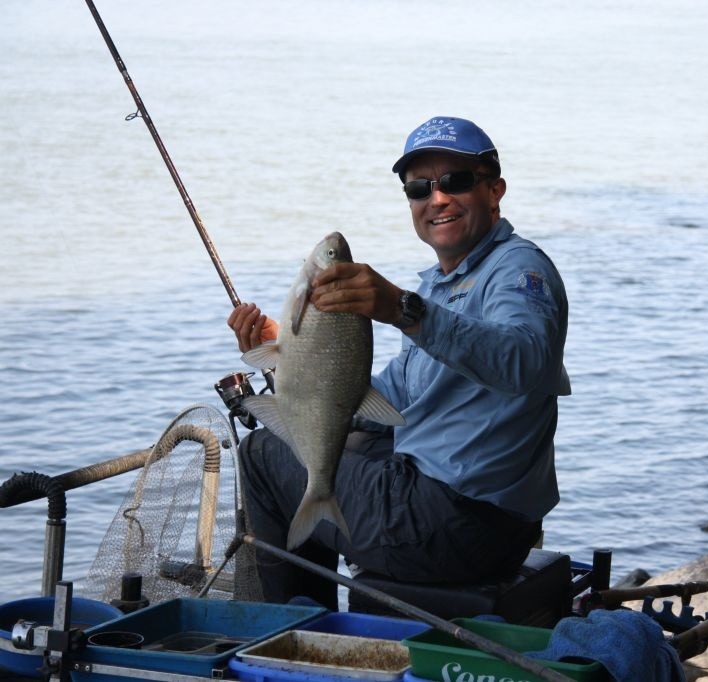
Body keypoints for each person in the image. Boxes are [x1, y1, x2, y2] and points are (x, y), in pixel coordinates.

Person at [227, 116, 571, 608]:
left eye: (456, 182)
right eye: (419, 188)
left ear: (495, 190)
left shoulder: (519, 271)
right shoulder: (442, 284)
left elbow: (527, 364)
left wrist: (401, 310)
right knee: (345, 439)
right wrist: (296, 361)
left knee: (261, 456)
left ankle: (290, 635)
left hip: (457, 521)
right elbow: (387, 403)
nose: (437, 199)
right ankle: (318, 628)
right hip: (465, 519)